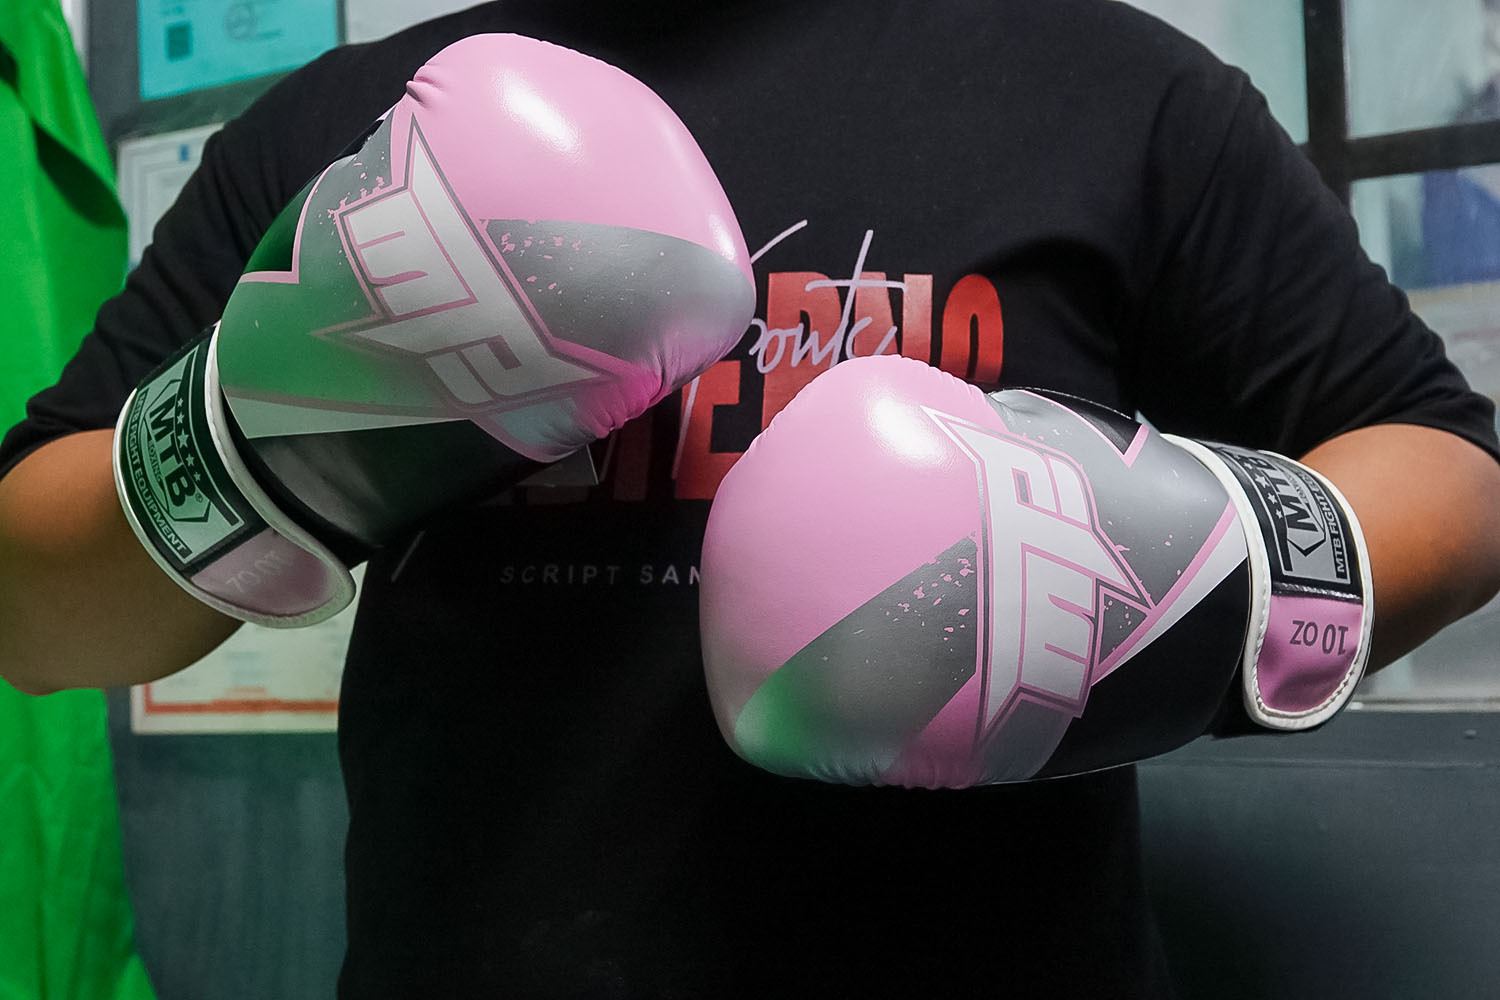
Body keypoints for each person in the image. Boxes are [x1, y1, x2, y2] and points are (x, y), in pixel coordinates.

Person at [4, 2, 1499, 996]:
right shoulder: (347, 121)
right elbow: (31, 607)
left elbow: (1450, 466)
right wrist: (266, 428)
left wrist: (1179, 576)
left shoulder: (1117, 92)